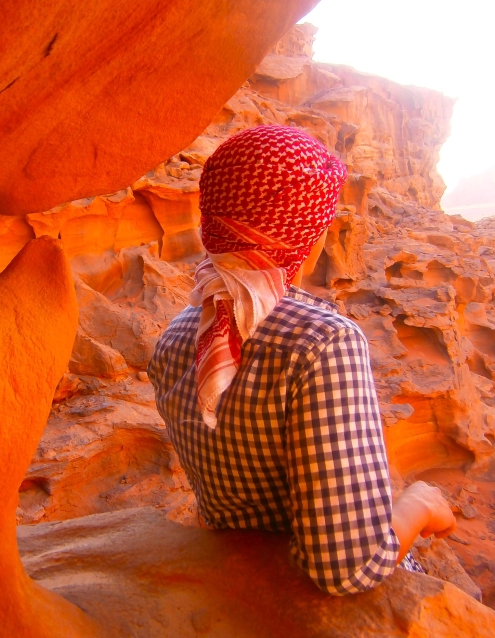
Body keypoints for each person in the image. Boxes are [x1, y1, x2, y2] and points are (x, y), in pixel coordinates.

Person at [147, 125, 456, 595]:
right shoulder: (323, 342)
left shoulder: (176, 337)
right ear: (304, 234)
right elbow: (348, 567)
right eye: (322, 220)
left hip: (239, 580)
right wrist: (420, 503)